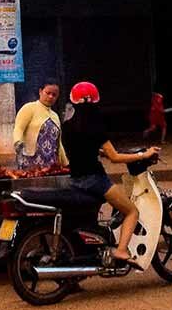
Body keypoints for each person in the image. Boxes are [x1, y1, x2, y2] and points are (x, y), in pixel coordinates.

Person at [61, 81, 159, 264]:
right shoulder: (95, 127)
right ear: (94, 103)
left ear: (74, 102)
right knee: (132, 211)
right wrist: (143, 154)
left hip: (75, 180)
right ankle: (121, 251)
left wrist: (98, 152)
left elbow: (80, 150)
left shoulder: (67, 127)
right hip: (95, 181)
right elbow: (114, 157)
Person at [13, 80, 68, 169]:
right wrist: (17, 142)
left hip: (51, 163)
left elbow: (58, 142)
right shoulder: (29, 108)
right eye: (48, 93)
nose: (50, 97)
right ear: (40, 91)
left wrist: (65, 163)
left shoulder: (55, 116)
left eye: (54, 95)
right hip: (30, 161)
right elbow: (19, 128)